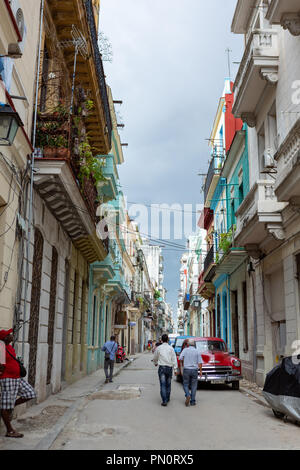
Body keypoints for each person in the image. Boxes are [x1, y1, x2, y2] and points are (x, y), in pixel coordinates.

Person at [0, 329, 36, 438]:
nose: (11, 335)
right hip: (7, 379)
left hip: (17, 378)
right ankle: (9, 430)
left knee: (31, 393)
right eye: (9, 334)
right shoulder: (1, 348)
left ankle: (10, 405)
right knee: (5, 406)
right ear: (5, 338)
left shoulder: (10, 347)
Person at [153, 333, 178, 406]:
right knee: (168, 384)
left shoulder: (159, 348)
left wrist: (155, 362)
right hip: (169, 368)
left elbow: (155, 357)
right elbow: (174, 359)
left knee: (163, 384)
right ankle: (167, 397)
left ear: (161, 340)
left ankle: (164, 400)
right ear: (168, 340)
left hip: (162, 368)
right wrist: (175, 369)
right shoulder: (171, 348)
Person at [179, 338, 203, 407]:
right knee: (194, 385)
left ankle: (187, 395)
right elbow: (200, 362)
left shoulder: (185, 350)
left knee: (185, 384)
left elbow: (180, 358)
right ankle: (192, 401)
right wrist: (200, 371)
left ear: (188, 344)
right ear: (194, 344)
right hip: (194, 370)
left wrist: (184, 362)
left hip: (186, 369)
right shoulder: (197, 351)